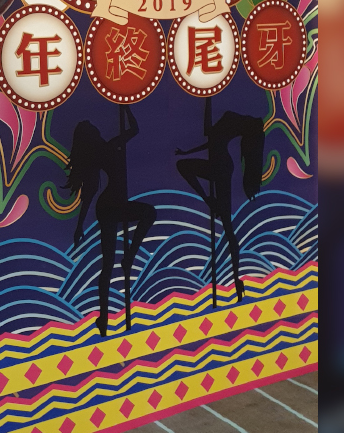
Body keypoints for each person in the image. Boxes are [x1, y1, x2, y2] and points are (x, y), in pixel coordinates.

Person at [66, 107, 156, 335]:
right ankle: (105, 315)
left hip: (110, 205)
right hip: (111, 206)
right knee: (148, 214)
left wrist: (125, 108)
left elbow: (134, 130)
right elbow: (89, 193)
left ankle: (104, 318)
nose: (95, 127)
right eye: (91, 127)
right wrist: (126, 109)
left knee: (107, 265)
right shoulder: (106, 149)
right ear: (91, 135)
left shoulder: (106, 148)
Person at [175, 97, 264, 302]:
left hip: (222, 168)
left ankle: (236, 277)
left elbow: (213, 138)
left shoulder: (226, 125)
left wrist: (208, 99)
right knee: (184, 166)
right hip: (217, 166)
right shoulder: (218, 128)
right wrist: (186, 152)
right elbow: (209, 140)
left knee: (227, 224)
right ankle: (209, 200)